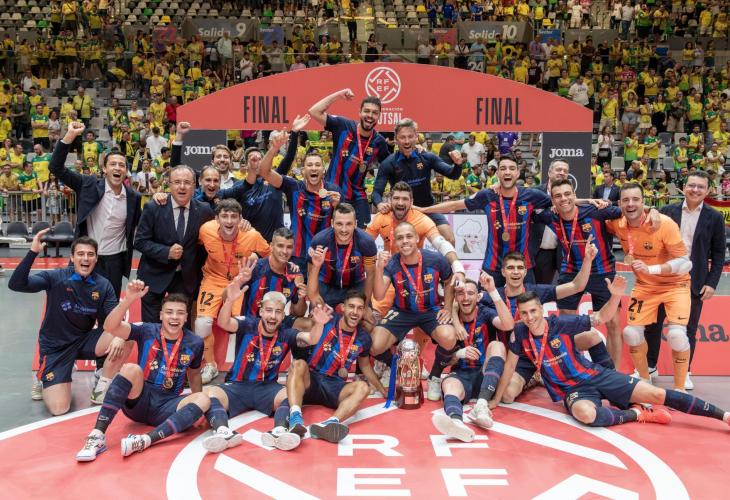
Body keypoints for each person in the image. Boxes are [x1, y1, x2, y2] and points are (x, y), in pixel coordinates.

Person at [493, 285, 730, 431]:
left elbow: (600, 318)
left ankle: (724, 416)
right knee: (586, 415)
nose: (529, 317)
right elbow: (510, 366)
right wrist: (495, 399)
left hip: (596, 375)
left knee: (657, 394)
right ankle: (636, 413)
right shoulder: (520, 332)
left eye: (533, 311)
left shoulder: (562, 323)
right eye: (524, 313)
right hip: (573, 390)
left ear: (542, 310)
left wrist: (615, 296)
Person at [75, 282, 209, 461]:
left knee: (203, 398)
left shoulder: (195, 342)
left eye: (180, 313)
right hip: (139, 402)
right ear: (161, 315)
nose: (174, 317)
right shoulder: (147, 330)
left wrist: (196, 408)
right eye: (169, 312)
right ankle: (97, 435)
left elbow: (194, 374)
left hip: (168, 406)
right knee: (131, 369)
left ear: (186, 317)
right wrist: (128, 300)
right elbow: (110, 327)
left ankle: (145, 440)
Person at [534, 179, 659, 364]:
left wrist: (652, 210)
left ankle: (613, 373)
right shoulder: (550, 216)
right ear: (552, 200)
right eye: (558, 196)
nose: (564, 199)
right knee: (566, 322)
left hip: (603, 272)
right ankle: (572, 367)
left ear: (574, 195)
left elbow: (629, 209)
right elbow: (529, 210)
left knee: (613, 323)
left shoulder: (595, 211)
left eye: (568, 194)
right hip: (571, 272)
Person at [202, 285, 332, 452]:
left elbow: (311, 339)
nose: (273, 316)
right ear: (261, 312)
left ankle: (279, 431)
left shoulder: (286, 334)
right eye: (269, 310)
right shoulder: (248, 325)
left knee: (290, 396)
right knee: (210, 394)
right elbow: (223, 322)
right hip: (237, 385)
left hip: (267, 388)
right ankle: (223, 431)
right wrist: (229, 302)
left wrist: (319, 324)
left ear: (283, 316)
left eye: (278, 312)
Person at [9, 231, 126, 413]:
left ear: (96, 258)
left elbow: (115, 318)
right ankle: (45, 375)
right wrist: (33, 252)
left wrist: (120, 335)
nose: (85, 258)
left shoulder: (103, 285)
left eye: (90, 254)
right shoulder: (56, 277)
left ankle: (102, 387)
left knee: (126, 335)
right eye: (80, 254)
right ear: (72, 257)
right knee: (59, 408)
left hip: (83, 340)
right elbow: (16, 284)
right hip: (56, 347)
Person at [606, 183, 693, 391]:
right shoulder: (617, 223)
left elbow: (685, 262)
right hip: (645, 285)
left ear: (643, 201)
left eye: (636, 199)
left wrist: (651, 269)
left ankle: (680, 389)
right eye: (626, 200)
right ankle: (645, 381)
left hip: (675, 284)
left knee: (677, 335)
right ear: (619, 204)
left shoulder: (664, 223)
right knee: (631, 334)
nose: (631, 204)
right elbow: (590, 212)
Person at [644, 171, 725, 390]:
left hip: (694, 281)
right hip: (663, 279)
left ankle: (685, 371)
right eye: (691, 185)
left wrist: (712, 282)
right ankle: (650, 366)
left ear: (708, 191)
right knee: (653, 325)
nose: (695, 190)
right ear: (683, 187)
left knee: (688, 329)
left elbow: (719, 253)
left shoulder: (715, 217)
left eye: (701, 187)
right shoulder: (666, 211)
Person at [419, 154, 552, 287]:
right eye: (503, 168)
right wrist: (423, 209)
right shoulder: (487, 195)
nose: (507, 172)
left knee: (528, 300)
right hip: (493, 266)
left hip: (523, 266)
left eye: (512, 168)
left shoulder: (531, 195)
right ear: (497, 173)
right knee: (483, 300)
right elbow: (454, 205)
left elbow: (558, 202)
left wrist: (564, 204)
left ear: (518, 173)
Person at [49, 121, 142, 299]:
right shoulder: (88, 184)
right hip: (86, 258)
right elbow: (56, 168)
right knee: (80, 305)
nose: (117, 168)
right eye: (113, 164)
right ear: (104, 169)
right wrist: (70, 136)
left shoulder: (133, 197)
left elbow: (143, 224)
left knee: (110, 306)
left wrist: (160, 198)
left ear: (126, 171)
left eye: (122, 165)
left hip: (115, 261)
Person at [285, 289, 386, 444]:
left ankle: (330, 423)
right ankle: (295, 418)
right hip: (311, 380)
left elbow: (365, 366)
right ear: (343, 308)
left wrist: (382, 390)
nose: (355, 312)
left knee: (363, 387)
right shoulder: (328, 320)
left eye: (360, 308)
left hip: (334, 386)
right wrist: (316, 321)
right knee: (298, 364)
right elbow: (300, 323)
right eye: (351, 306)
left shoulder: (364, 338)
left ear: (364, 311)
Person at [370, 222, 458, 401]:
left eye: (409, 236)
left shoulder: (435, 259)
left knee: (449, 337)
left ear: (417, 238)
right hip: (402, 311)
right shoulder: (392, 263)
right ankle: (399, 365)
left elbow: (449, 281)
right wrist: (379, 268)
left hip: (430, 311)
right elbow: (378, 295)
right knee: (374, 345)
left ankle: (434, 376)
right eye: (400, 238)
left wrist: (448, 307)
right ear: (395, 242)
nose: (405, 241)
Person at [196, 199, 271, 384]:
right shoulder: (205, 230)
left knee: (240, 324)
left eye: (233, 217)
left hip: (239, 281)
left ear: (240, 219)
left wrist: (254, 260)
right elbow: (194, 246)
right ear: (217, 219)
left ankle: (244, 365)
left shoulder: (251, 235)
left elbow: (269, 254)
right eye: (225, 216)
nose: (229, 221)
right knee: (202, 324)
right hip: (213, 279)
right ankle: (211, 365)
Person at [432, 275, 514, 442]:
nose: (466, 298)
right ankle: (456, 422)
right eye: (461, 293)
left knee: (497, 345)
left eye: (470, 293)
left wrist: (493, 291)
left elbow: (508, 325)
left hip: (486, 375)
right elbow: (443, 359)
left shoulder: (485, 313)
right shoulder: (448, 320)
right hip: (462, 375)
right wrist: (459, 354)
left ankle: (481, 406)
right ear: (456, 298)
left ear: (478, 297)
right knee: (448, 384)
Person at [134, 165, 215, 323]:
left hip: (185, 279)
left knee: (180, 327)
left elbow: (216, 232)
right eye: (177, 182)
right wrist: (166, 252)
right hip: (154, 275)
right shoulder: (154, 207)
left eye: (187, 182)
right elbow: (140, 241)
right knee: (151, 328)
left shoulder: (205, 210)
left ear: (195, 185)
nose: (182, 187)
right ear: (169, 184)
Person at [258, 121, 341, 269]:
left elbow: (343, 224)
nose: (313, 168)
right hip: (297, 257)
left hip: (325, 255)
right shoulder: (293, 186)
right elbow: (264, 172)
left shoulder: (333, 191)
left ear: (323, 170)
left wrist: (338, 207)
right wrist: (274, 149)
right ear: (303, 171)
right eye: (309, 165)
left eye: (317, 165)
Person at [373, 118, 464, 245]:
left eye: (410, 136)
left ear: (416, 137)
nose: (407, 141)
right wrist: (379, 204)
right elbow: (376, 192)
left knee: (449, 239)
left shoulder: (427, 157)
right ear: (396, 139)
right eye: (402, 137)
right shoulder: (388, 163)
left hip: (428, 209)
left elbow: (453, 174)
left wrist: (458, 164)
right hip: (402, 212)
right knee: (404, 246)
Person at [308, 88, 389, 227]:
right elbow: (314, 111)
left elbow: (391, 165)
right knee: (330, 233)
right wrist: (339, 95)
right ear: (360, 112)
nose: (370, 116)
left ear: (379, 116)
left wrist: (415, 149)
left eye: (375, 113)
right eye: (367, 111)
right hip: (333, 191)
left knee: (364, 235)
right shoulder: (343, 126)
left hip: (358, 196)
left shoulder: (379, 142)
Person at [307, 203, 377, 313]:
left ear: (355, 224)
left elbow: (371, 275)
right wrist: (316, 301)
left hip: (356, 285)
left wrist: (365, 306)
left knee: (366, 319)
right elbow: (311, 273)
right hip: (326, 284)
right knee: (315, 318)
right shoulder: (319, 241)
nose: (344, 229)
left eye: (348, 224)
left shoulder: (367, 242)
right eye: (339, 224)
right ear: (332, 223)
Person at [238, 227, 307, 324]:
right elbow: (227, 296)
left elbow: (298, 313)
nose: (285, 251)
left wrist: (301, 298)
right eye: (280, 246)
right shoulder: (256, 269)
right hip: (252, 325)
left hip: (278, 324)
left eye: (289, 247)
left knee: (309, 324)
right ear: (271, 246)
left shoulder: (294, 273)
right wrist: (239, 282)